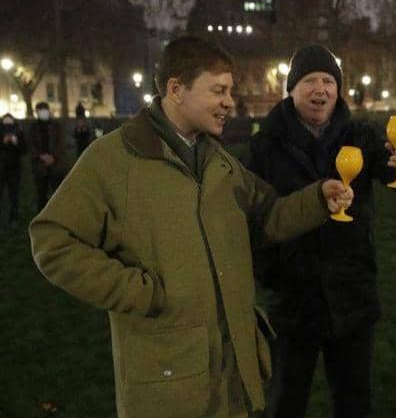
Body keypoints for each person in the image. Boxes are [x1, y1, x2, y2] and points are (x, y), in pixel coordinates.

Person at [29, 36, 353, 418]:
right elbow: (53, 240)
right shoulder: (113, 159)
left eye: (229, 90)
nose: (229, 102)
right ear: (176, 90)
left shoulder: (219, 161)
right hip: (167, 383)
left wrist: (318, 199)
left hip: (230, 379)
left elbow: (266, 217)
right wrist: (138, 293)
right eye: (218, 90)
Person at [248, 44, 396, 418]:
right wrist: (270, 273)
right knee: (285, 402)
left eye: (329, 81)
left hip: (351, 296)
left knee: (353, 402)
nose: (321, 89)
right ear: (292, 89)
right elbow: (253, 216)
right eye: (310, 80)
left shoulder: (360, 135)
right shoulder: (266, 146)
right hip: (293, 300)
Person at [25, 102, 69, 212]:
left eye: (44, 110)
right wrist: (41, 156)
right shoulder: (33, 128)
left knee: (58, 194)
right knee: (41, 195)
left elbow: (61, 142)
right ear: (37, 112)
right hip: (40, 166)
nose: (43, 113)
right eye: (40, 111)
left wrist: (53, 156)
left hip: (56, 165)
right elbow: (30, 144)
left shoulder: (57, 126)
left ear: (48, 111)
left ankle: (59, 215)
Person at [0, 113, 26, 228]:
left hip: (14, 169)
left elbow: (24, 150)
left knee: (14, 196)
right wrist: (3, 142)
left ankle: (14, 218)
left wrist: (16, 143)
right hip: (1, 168)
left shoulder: (19, 132)